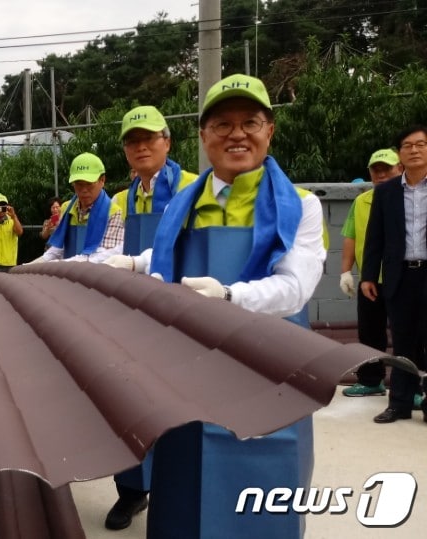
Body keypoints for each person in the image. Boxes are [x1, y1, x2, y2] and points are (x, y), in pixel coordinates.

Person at [106, 74, 326, 538]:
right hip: (189, 373)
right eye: (222, 124)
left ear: (270, 130)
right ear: (204, 136)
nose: (237, 134)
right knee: (184, 477)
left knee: (264, 489)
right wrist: (131, 263)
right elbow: (168, 259)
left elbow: (295, 289)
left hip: (267, 373)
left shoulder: (300, 206)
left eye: (250, 122)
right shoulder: (183, 205)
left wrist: (229, 297)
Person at [101, 105, 199, 531]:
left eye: (149, 138)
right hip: (131, 316)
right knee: (126, 404)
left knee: (177, 408)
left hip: (181, 318)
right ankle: (131, 492)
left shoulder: (195, 189)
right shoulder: (122, 200)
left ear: (167, 142)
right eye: (132, 141)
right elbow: (110, 252)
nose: (141, 147)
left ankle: (175, 490)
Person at [362, 125, 427, 424]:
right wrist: (368, 276)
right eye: (407, 145)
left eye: (420, 144)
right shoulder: (386, 191)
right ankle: (399, 404)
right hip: (400, 276)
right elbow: (375, 237)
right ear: (400, 154)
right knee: (401, 343)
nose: (414, 150)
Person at [339, 149, 402, 398]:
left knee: (408, 335)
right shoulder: (361, 201)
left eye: (387, 168)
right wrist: (345, 271)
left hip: (404, 279)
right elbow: (350, 238)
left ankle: (411, 386)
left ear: (400, 169)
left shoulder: (411, 199)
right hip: (371, 281)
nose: (382, 174)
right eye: (377, 169)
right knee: (370, 333)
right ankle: (371, 380)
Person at [35, 153, 123, 263]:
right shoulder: (68, 209)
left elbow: (102, 258)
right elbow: (59, 248)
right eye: (79, 184)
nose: (84, 189)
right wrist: (36, 263)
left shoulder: (114, 213)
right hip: (67, 276)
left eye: (89, 183)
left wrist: (59, 265)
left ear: (102, 180)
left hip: (95, 277)